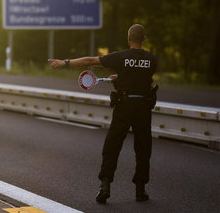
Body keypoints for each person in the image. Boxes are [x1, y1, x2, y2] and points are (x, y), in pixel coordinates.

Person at [48, 24, 157, 204]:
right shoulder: (152, 60)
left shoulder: (121, 57)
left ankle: (105, 186)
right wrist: (120, 78)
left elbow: (90, 61)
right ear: (143, 39)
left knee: (112, 147)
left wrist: (65, 62)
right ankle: (140, 190)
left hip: (124, 106)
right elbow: (141, 79)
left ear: (129, 38)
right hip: (143, 108)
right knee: (143, 149)